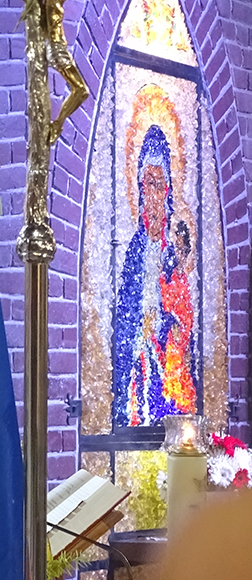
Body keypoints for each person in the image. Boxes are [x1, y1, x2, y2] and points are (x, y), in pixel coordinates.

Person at [113, 124, 196, 426]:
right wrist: (141, 331)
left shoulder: (173, 254)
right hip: (140, 362)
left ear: (168, 192)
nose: (153, 194)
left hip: (168, 361)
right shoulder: (135, 251)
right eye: (148, 183)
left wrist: (166, 325)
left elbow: (184, 315)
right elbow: (124, 318)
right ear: (139, 189)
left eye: (160, 185)